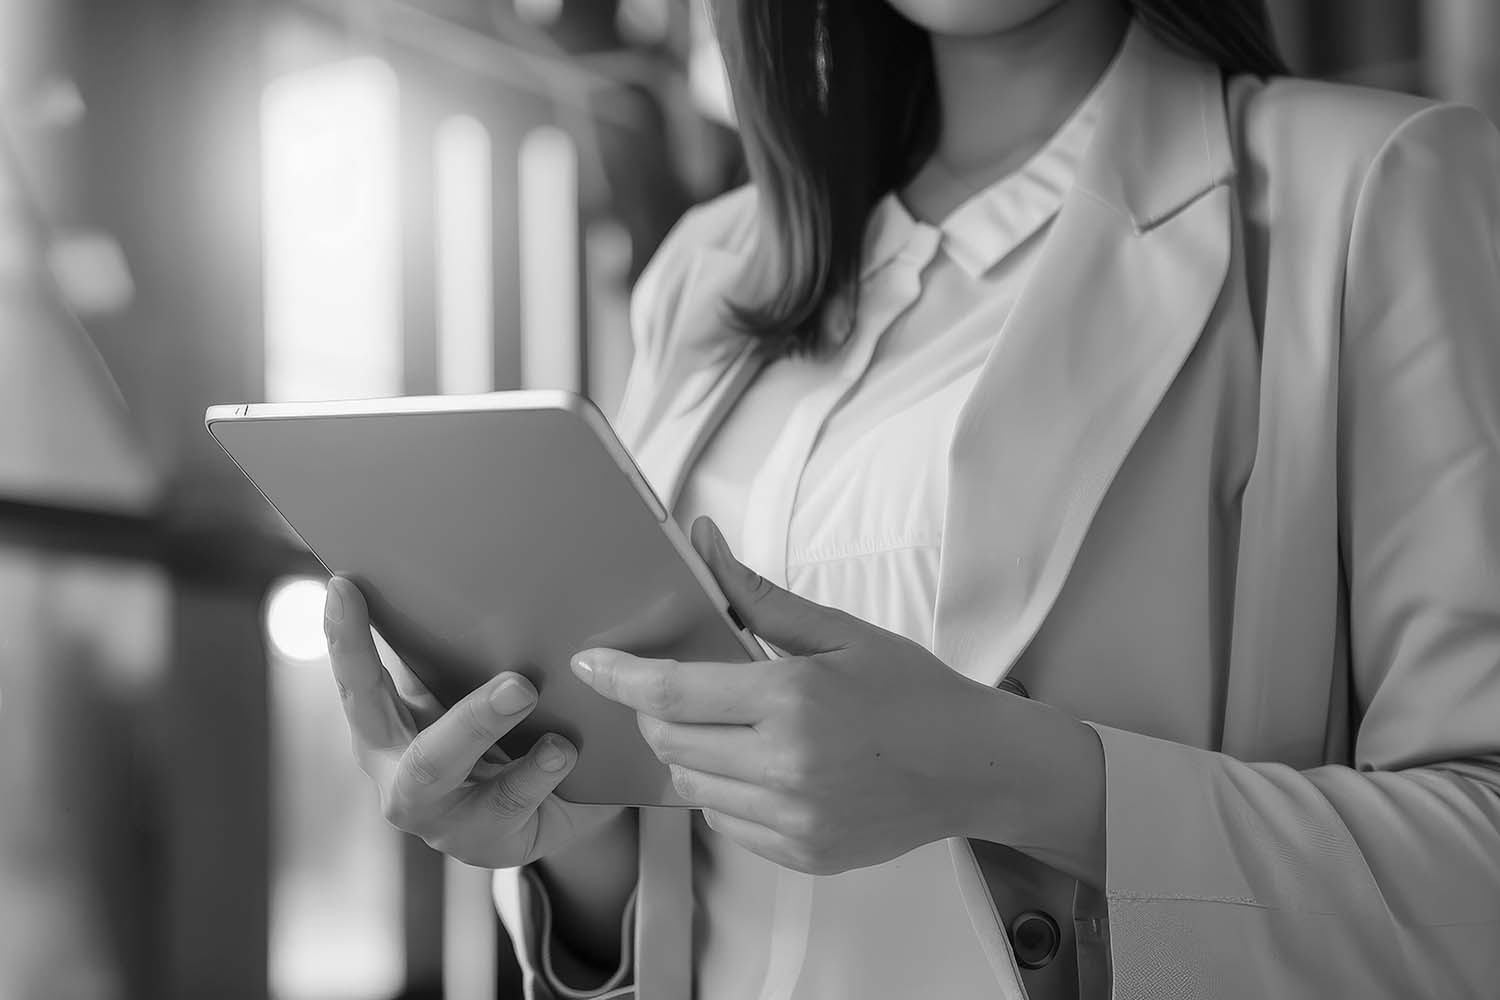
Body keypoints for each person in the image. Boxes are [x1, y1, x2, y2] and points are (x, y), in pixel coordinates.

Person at [320, 1, 1500, 996]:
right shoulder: (710, 269)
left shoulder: (1376, 187)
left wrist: (1013, 773)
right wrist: (577, 845)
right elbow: (706, 894)